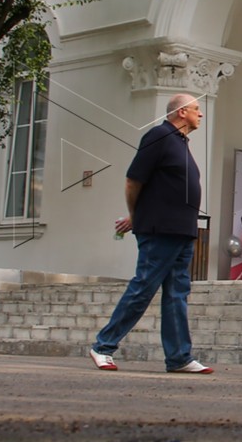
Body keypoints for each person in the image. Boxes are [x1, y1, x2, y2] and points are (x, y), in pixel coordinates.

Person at [89, 93, 212, 373]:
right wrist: (135, 216)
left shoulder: (181, 143)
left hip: (182, 231)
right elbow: (133, 180)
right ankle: (102, 346)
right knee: (144, 287)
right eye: (196, 109)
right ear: (181, 112)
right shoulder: (158, 136)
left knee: (177, 294)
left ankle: (180, 357)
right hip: (160, 230)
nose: (200, 114)